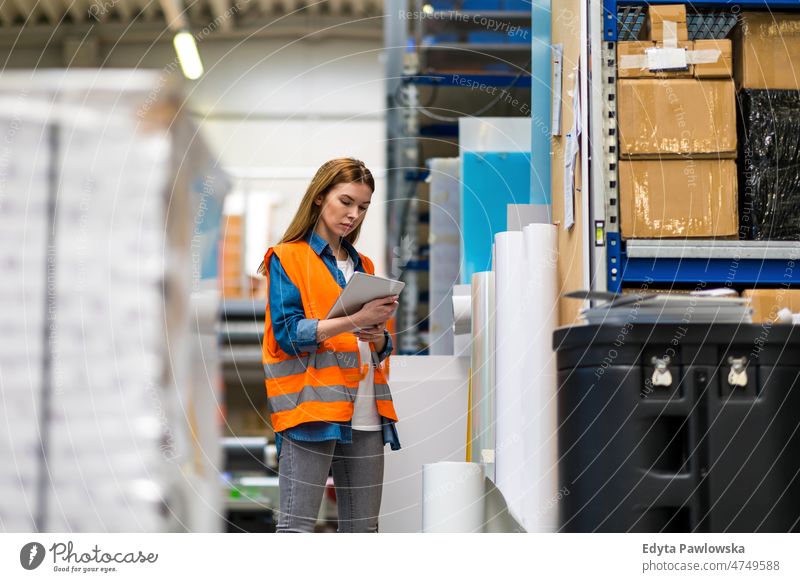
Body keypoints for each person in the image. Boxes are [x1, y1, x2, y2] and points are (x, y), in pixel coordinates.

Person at [258, 157, 401, 533]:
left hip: (368, 410)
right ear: (320, 197)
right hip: (311, 410)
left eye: (363, 207)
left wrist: (380, 336)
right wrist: (355, 321)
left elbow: (381, 343)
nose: (354, 214)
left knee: (363, 531)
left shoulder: (365, 264)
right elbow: (288, 336)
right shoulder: (287, 257)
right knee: (297, 527)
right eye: (346, 201)